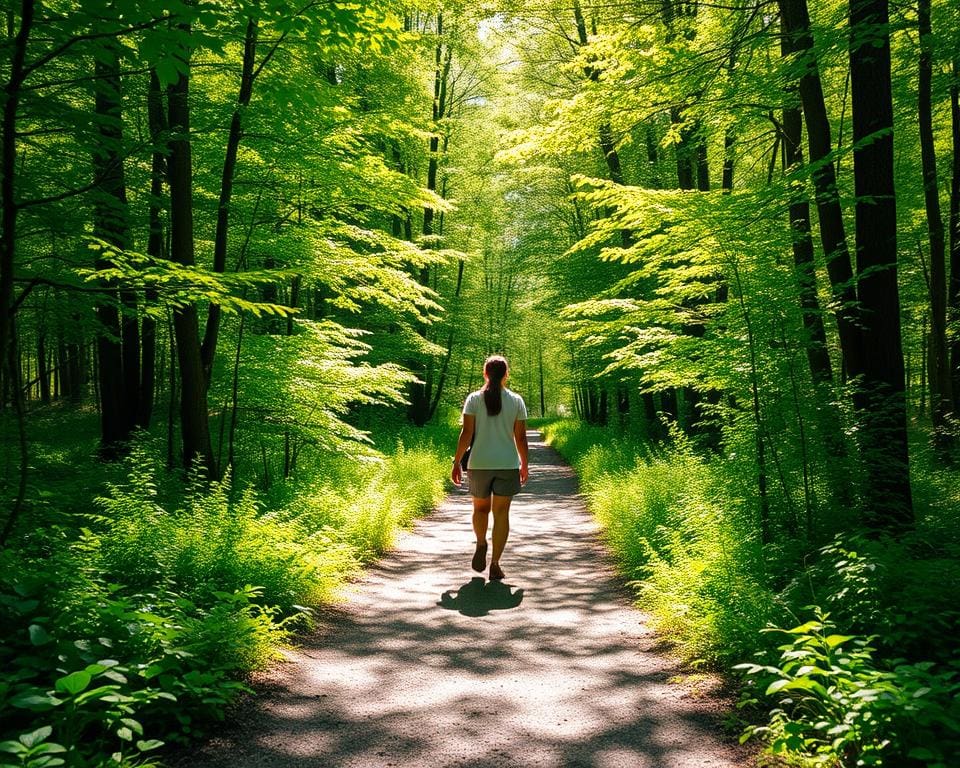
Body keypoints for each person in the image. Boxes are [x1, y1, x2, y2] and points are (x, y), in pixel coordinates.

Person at [451, 355, 529, 581]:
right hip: (507, 464)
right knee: (502, 513)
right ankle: (495, 564)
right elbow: (521, 438)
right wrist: (524, 464)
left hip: (479, 464)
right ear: (506, 374)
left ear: (485, 373)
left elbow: (466, 434)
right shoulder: (516, 401)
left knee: (480, 510)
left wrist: (456, 462)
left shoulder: (474, 399)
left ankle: (481, 543)